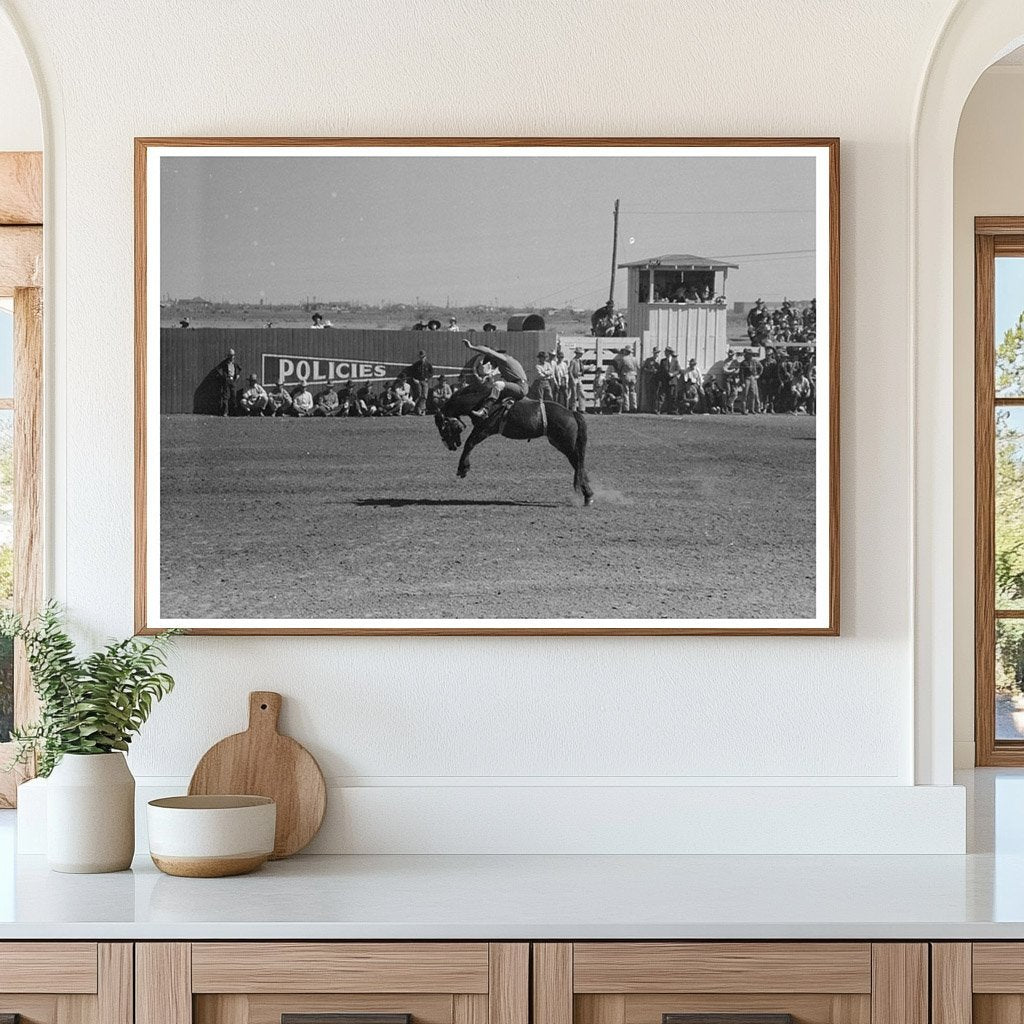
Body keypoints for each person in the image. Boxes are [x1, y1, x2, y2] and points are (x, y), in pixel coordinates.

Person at [462, 338, 529, 421]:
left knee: (498, 384)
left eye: (490, 360)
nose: (491, 363)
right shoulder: (508, 363)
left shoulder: (504, 359)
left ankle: (485, 410)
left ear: (494, 357)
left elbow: (488, 351)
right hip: (519, 385)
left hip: (520, 387)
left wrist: (471, 346)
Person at [215, 348, 242, 416]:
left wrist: (238, 374)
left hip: (233, 380)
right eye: (230, 355)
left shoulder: (235, 363)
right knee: (225, 396)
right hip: (226, 380)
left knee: (234, 396)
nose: (232, 357)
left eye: (233, 355)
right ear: (228, 356)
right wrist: (223, 376)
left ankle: (233, 412)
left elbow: (240, 369)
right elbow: (218, 369)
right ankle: (225, 412)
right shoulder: (225, 363)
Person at [613, 344, 640, 412]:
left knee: (626, 392)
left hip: (626, 375)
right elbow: (638, 367)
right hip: (633, 376)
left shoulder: (624, 359)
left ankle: (626, 408)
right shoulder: (634, 359)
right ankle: (634, 407)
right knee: (633, 392)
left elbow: (619, 368)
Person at [407, 350, 434, 415]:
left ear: (425, 357)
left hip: (425, 381)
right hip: (418, 381)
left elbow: (431, 372)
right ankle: (415, 409)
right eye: (421, 357)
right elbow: (412, 373)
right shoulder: (416, 365)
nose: (422, 359)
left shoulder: (428, 365)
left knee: (424, 396)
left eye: (423, 357)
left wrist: (428, 378)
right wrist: (414, 379)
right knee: (418, 394)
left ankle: (422, 410)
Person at [657, 348, 681, 414]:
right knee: (662, 396)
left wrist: (673, 374)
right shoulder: (663, 361)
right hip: (664, 381)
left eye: (666, 352)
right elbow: (660, 371)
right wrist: (660, 380)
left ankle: (672, 410)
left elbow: (679, 370)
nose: (665, 353)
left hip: (672, 381)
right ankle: (659, 410)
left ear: (669, 353)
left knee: (672, 396)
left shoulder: (675, 361)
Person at [739, 349, 763, 414]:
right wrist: (742, 382)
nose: (749, 356)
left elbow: (761, 368)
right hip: (746, 378)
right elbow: (741, 373)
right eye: (748, 354)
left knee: (753, 393)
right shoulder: (743, 363)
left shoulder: (754, 361)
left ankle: (751, 409)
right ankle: (743, 409)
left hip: (753, 377)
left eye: (750, 354)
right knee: (745, 394)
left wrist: (758, 375)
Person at [640, 347, 660, 412]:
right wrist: (650, 370)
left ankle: (655, 408)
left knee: (656, 395)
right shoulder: (648, 360)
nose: (656, 354)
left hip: (656, 380)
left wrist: (657, 371)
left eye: (657, 353)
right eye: (655, 353)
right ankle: (649, 408)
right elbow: (644, 369)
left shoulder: (659, 361)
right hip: (649, 380)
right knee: (649, 394)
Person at [567, 347, 586, 411]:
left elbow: (582, 370)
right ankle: (573, 408)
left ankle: (582, 409)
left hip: (579, 378)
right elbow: (570, 371)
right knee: (574, 395)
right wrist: (572, 379)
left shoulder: (580, 361)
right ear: (577, 353)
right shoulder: (573, 361)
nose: (581, 355)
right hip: (574, 378)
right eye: (580, 353)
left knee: (581, 393)